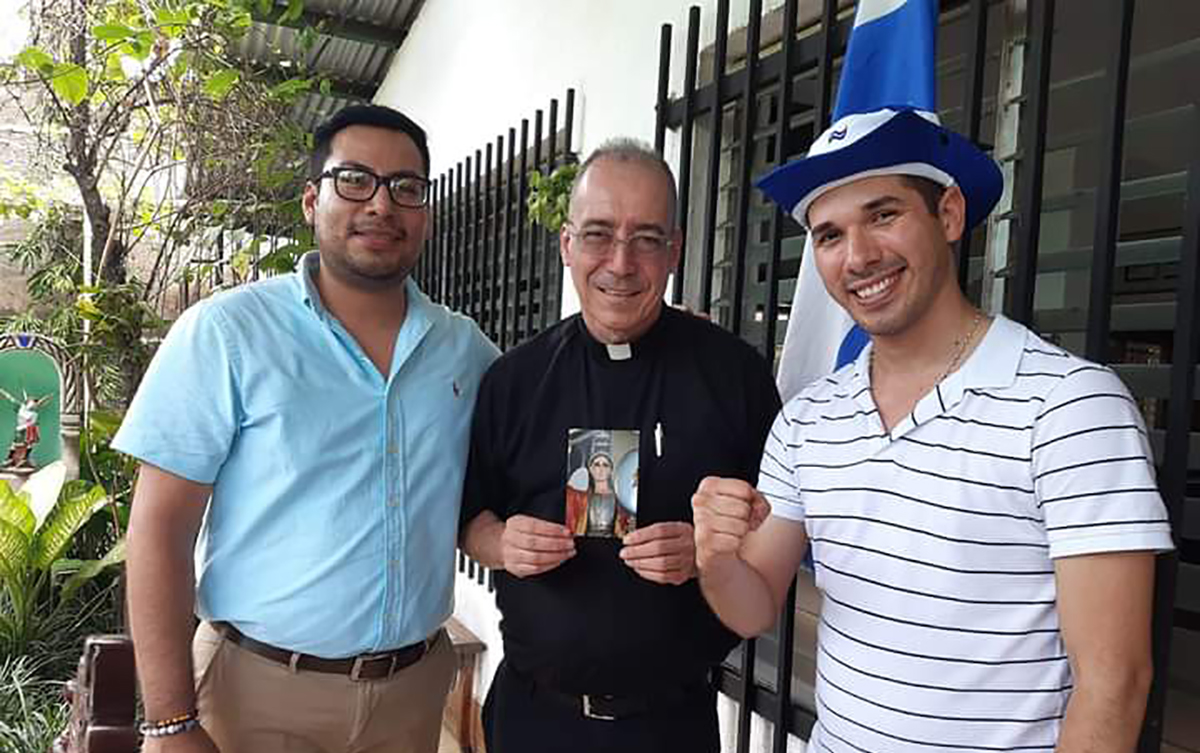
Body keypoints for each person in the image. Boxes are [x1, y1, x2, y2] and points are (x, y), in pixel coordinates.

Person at [692, 104, 1176, 752]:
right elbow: (752, 608)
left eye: (883, 215)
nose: (858, 256)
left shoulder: (1070, 407)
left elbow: (1115, 682)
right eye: (829, 235)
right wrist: (716, 557)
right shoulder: (808, 417)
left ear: (948, 214)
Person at [115, 104, 498, 753]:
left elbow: (507, 469)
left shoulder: (465, 351)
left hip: (411, 697)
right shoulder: (228, 333)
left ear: (426, 214)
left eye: (406, 187)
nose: (382, 204)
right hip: (255, 694)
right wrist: (169, 721)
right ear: (311, 200)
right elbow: (159, 528)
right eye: (355, 180)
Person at [458, 138, 781, 753]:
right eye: (599, 234)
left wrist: (711, 556)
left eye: (647, 239)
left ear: (674, 251)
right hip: (534, 718)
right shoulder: (514, 380)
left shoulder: (734, 376)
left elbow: (780, 529)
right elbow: (469, 518)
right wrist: (501, 543)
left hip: (673, 724)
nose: (621, 262)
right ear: (566, 245)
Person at [565, 450, 633, 537]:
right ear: (591, 469)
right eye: (597, 465)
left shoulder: (620, 499)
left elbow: (625, 526)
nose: (601, 469)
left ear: (610, 470)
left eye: (605, 465)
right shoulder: (582, 498)